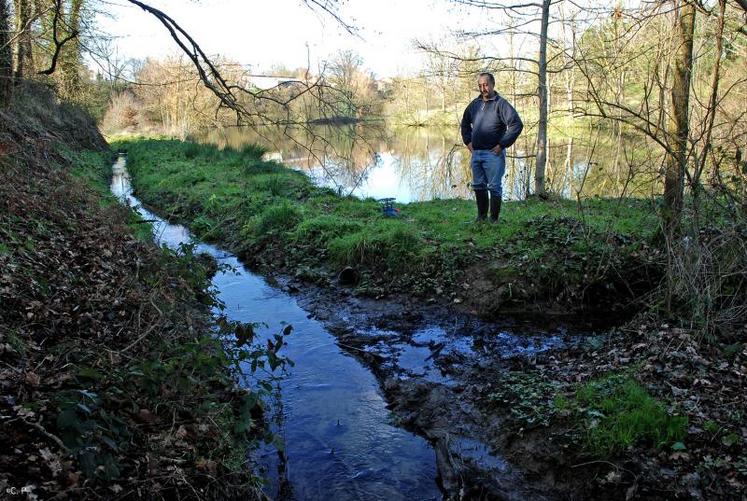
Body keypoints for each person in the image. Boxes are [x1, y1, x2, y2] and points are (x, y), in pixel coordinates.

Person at [460, 72, 523, 223]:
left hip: (493, 154)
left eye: (486, 85)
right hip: (477, 154)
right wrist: (468, 142)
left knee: (494, 187)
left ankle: (493, 220)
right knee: (478, 186)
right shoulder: (475, 105)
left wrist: (502, 144)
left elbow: (516, 124)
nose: (483, 88)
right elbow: (464, 123)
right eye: (480, 85)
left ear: (493, 84)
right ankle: (481, 218)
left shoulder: (501, 104)